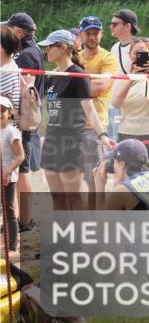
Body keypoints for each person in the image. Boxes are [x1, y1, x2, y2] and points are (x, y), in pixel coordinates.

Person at [37, 29, 115, 210]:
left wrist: (102, 135)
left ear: (63, 48)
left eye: (49, 47)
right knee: (58, 199)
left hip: (71, 142)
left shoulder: (78, 76)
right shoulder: (52, 76)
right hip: (51, 140)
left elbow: (90, 110)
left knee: (74, 199)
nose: (46, 51)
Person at [110, 37, 149, 179]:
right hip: (127, 135)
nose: (139, 56)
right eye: (136, 53)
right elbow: (116, 104)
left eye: (143, 53)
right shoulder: (123, 78)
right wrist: (131, 78)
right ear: (130, 56)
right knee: (128, 182)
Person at [7, 13, 42, 231]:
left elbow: (25, 91)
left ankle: (25, 220)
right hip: (29, 118)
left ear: (19, 32)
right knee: (22, 169)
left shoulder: (26, 55)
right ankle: (21, 218)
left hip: (23, 118)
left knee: (23, 170)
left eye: (10, 30)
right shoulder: (34, 50)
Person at [77, 16, 115, 133]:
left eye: (96, 33)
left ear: (102, 34)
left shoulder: (108, 58)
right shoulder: (75, 57)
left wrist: (70, 87)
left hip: (95, 126)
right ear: (80, 34)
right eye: (88, 33)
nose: (92, 37)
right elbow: (57, 82)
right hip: (72, 123)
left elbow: (100, 86)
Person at [0, 96, 24, 253]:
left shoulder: (11, 132)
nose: (0, 112)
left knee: (8, 210)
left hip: (7, 177)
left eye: (3, 110)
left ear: (10, 113)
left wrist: (8, 172)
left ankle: (13, 244)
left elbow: (21, 156)